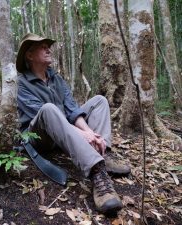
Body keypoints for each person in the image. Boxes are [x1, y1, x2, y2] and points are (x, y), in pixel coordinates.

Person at [16, 33, 131, 214]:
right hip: (40, 138)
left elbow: (72, 109)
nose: (48, 49)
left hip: (66, 134)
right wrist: (81, 134)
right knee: (48, 109)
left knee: (99, 101)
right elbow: (40, 115)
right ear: (29, 55)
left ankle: (102, 153)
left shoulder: (57, 79)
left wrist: (89, 133)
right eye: (42, 46)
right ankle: (97, 173)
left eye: (48, 46)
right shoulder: (21, 84)